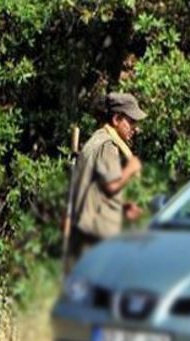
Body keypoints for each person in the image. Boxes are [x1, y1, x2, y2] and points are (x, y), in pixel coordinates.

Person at [66, 92, 146, 270]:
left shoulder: (96, 139)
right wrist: (131, 169)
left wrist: (124, 207)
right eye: (131, 122)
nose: (135, 128)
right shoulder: (108, 146)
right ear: (117, 119)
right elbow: (110, 186)